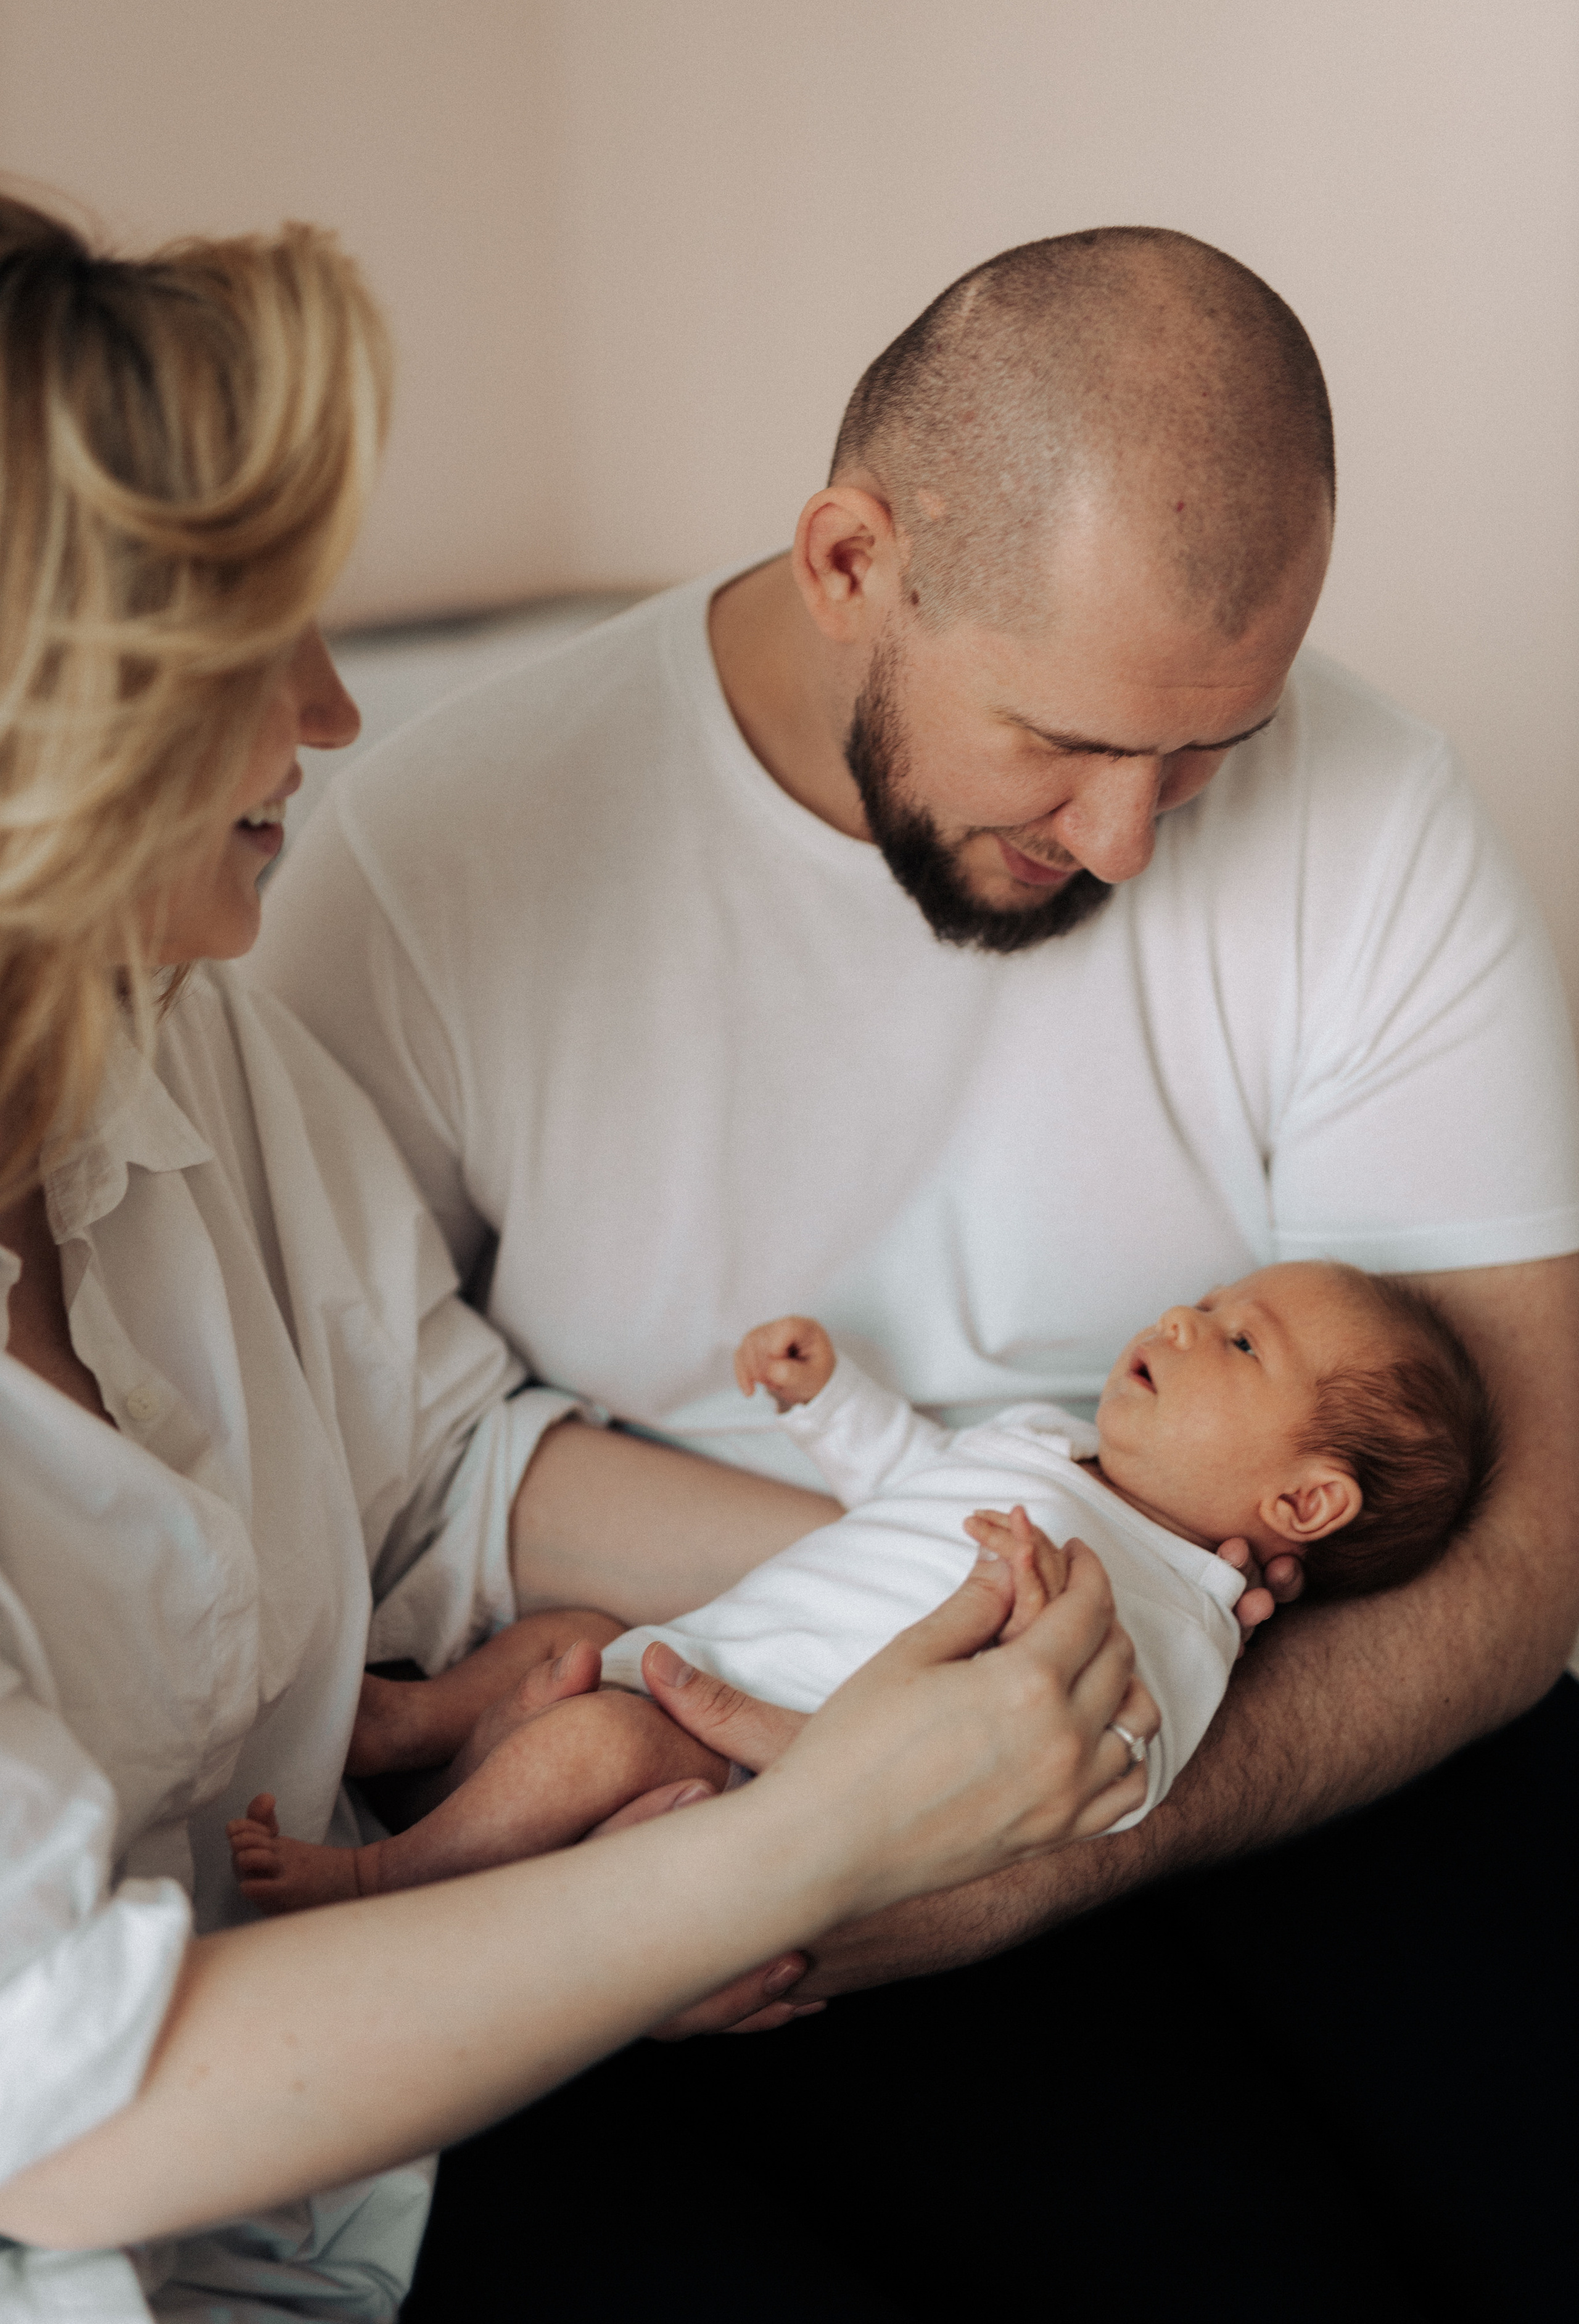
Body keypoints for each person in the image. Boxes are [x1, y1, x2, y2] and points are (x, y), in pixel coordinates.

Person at [255, 227, 1579, 2317]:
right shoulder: (438, 860)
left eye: (1210, 751)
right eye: (1064, 742)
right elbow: (369, 1474)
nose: (1132, 841)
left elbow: (1531, 1525)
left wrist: (1033, 1830)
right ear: (852, 559)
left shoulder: (1377, 813)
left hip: (1232, 1714)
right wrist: (846, 1768)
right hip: (706, 1754)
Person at [0, 193, 1161, 2324]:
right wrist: (801, 1845)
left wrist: (976, 1577)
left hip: (374, 2159)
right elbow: (70, 2099)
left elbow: (446, 1476)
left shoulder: (175, 1049)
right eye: (258, 656)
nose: (334, 716)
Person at [227, 1260, 1496, 1915]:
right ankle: (407, 1723)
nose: (1178, 1318)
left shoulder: (1177, 1614)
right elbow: (910, 1475)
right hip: (681, 1652)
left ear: (1304, 1505)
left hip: (738, 1768)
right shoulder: (1048, 1445)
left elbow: (1115, 1778)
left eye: (1238, 1340)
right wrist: (829, 1398)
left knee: (597, 1740)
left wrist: (1038, 1634)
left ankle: (384, 1884)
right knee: (567, 1633)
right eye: (1209, 1301)